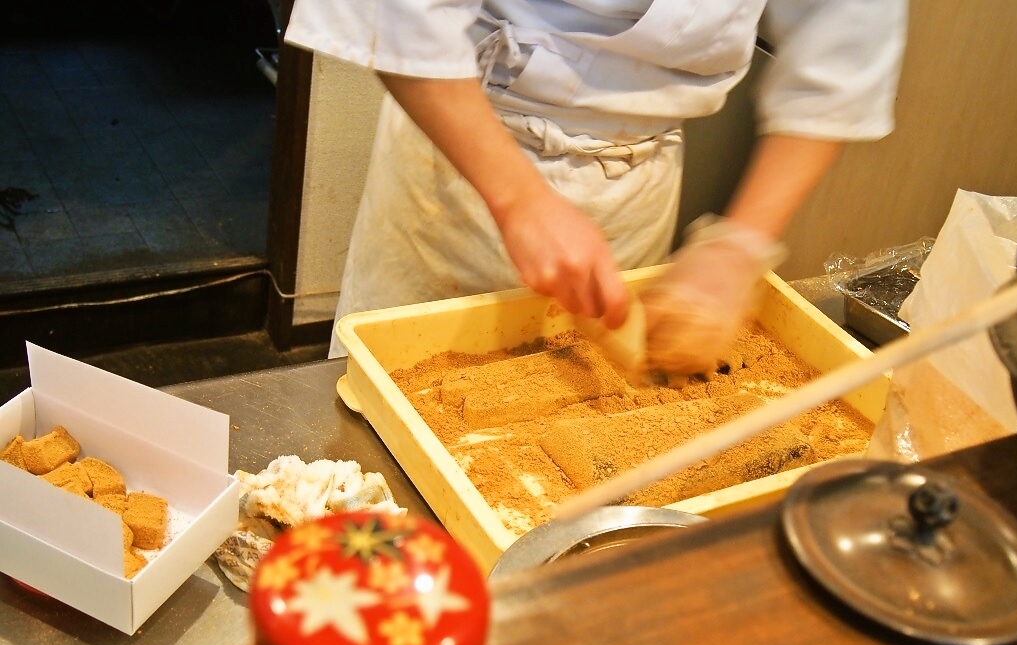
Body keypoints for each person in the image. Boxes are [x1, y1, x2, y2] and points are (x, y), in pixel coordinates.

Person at [284, 1, 908, 373]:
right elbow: (397, 15)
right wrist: (518, 197)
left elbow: (845, 46)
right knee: (392, 429)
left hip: (643, 168)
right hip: (466, 146)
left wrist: (737, 246)